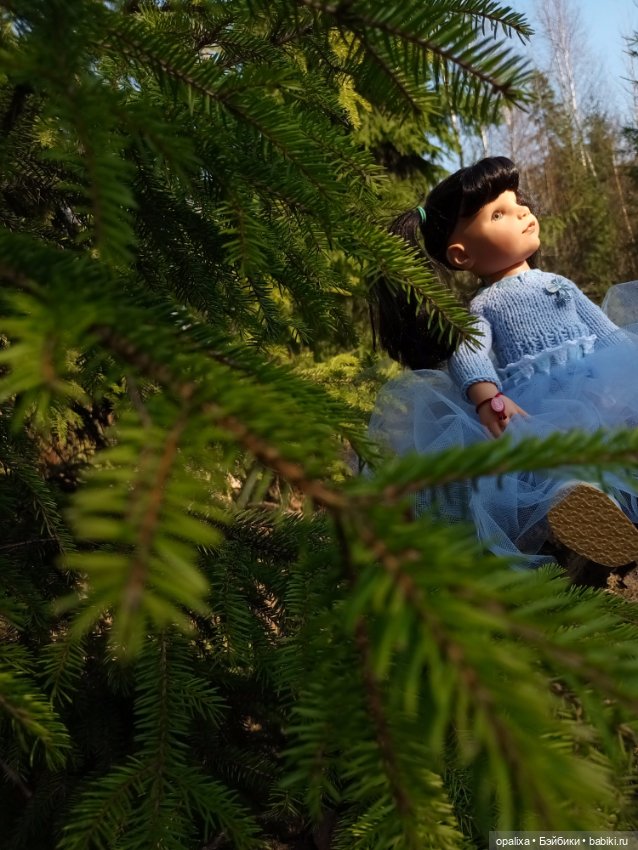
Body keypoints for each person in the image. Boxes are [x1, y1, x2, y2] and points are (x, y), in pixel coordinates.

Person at [370, 156, 638, 569]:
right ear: (461, 255)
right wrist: (486, 396)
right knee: (561, 462)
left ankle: (608, 506)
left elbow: (603, 330)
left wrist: (628, 358)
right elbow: (467, 350)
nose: (523, 213)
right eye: (500, 214)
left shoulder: (557, 283)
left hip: (601, 381)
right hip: (540, 401)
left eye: (518, 203)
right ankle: (581, 508)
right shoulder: (484, 305)